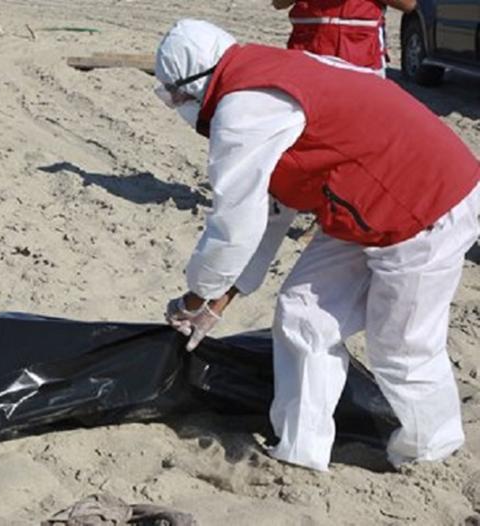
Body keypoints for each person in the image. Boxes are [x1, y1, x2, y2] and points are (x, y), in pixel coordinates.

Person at [155, 19, 479, 472]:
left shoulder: (242, 109)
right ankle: (301, 450)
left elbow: (234, 224)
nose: (178, 108)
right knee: (303, 315)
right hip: (365, 200)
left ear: (194, 84)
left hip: (426, 201)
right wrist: (220, 300)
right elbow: (271, 210)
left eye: (174, 97)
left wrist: (194, 297)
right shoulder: (265, 71)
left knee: (402, 345)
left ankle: (430, 452)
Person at [271, 0, 417, 77]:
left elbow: (408, 4)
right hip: (308, 56)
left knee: (361, 117)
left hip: (361, 58)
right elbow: (278, 3)